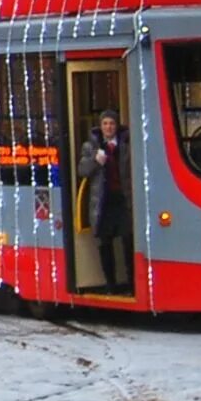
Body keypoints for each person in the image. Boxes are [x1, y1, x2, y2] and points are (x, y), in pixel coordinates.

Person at [77, 107, 133, 292]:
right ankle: (110, 284)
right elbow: (82, 170)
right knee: (105, 243)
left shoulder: (126, 145)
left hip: (123, 200)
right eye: (105, 124)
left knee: (128, 240)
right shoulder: (91, 146)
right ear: (100, 126)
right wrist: (96, 161)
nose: (108, 127)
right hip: (102, 202)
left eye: (112, 123)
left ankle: (132, 283)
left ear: (117, 126)